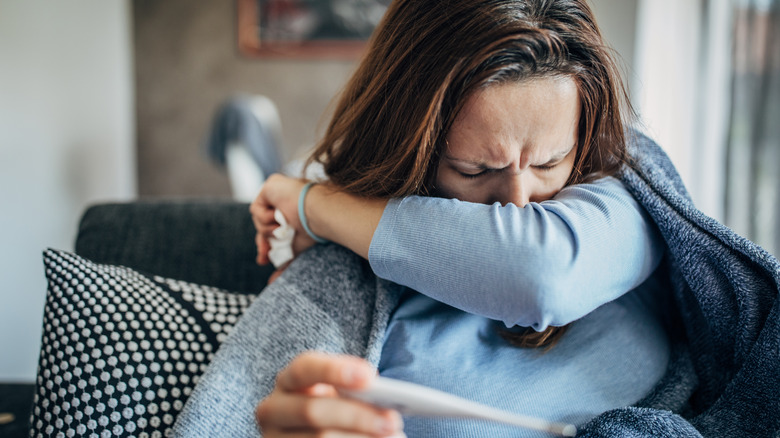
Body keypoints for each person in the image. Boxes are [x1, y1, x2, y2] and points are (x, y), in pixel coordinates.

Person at [247, 0, 671, 436]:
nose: (520, 203)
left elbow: (541, 273)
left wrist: (313, 206)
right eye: (474, 170)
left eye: (549, 163)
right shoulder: (347, 268)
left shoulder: (625, 195)